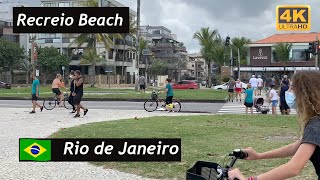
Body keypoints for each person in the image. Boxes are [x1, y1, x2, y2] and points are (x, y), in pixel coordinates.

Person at [228, 71, 320, 180]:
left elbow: (293, 168)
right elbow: (296, 147)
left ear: (305, 94)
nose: (288, 91)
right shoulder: (315, 122)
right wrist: (259, 155)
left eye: (291, 87)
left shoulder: (315, 125)